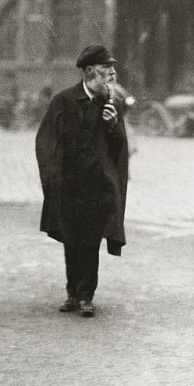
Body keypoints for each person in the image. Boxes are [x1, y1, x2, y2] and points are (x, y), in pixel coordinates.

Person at [35, 45, 130, 318]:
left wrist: (113, 127)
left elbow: (119, 150)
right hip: (69, 185)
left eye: (112, 76)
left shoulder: (112, 104)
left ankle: (86, 296)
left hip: (97, 185)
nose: (111, 81)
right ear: (89, 73)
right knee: (71, 239)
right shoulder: (63, 102)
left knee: (91, 242)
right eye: (106, 75)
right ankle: (72, 293)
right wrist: (52, 176)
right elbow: (45, 141)